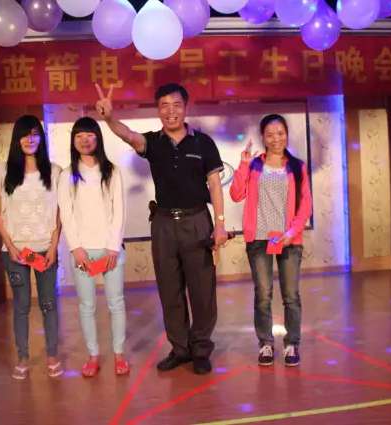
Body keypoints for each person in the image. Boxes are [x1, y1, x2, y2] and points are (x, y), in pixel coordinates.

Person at [95, 82, 228, 375]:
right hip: (164, 224)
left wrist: (220, 224)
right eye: (164, 106)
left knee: (202, 290)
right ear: (158, 110)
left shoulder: (203, 143)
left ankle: (201, 349)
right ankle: (180, 349)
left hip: (197, 221)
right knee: (170, 290)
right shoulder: (153, 142)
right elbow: (128, 135)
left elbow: (215, 185)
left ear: (185, 107)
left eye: (176, 105)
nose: (171, 111)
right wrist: (109, 118)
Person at [229, 114, 312, 367]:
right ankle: (265, 343)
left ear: (286, 134)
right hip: (259, 238)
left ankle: (291, 344)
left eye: (280, 133)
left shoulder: (297, 167)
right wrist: (243, 165)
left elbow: (305, 205)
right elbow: (236, 194)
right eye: (270, 134)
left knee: (291, 295)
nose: (276, 138)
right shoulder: (254, 165)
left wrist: (291, 233)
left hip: (288, 239)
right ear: (263, 138)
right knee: (263, 294)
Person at [0, 115, 63, 379]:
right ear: (16, 139)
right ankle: (22, 357)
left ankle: (52, 355)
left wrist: (53, 247)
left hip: (45, 251)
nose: (30, 139)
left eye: (34, 133)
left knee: (48, 304)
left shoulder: (55, 172)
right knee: (21, 306)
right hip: (16, 252)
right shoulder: (1, 172)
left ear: (41, 138)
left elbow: (59, 213)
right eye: (24, 134)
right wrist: (11, 247)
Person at [58, 117, 128, 377]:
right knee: (86, 305)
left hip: (111, 250)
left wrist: (113, 248)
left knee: (116, 303)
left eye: (89, 135)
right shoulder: (67, 174)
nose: (85, 140)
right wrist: (76, 248)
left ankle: (119, 354)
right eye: (79, 136)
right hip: (83, 252)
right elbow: (66, 213)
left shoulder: (112, 171)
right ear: (73, 141)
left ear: (98, 138)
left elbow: (119, 211)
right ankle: (93, 355)